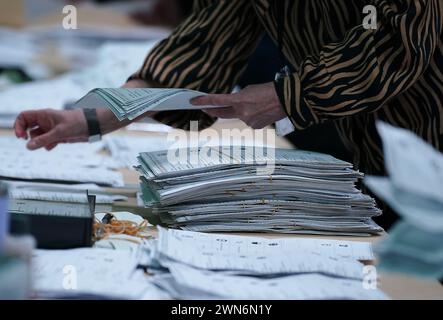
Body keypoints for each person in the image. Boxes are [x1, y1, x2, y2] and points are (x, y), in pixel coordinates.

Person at [14, 0, 443, 229]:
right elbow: (203, 43)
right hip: (377, 151)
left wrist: (285, 96)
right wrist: (91, 118)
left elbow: (397, 40)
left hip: (430, 128)